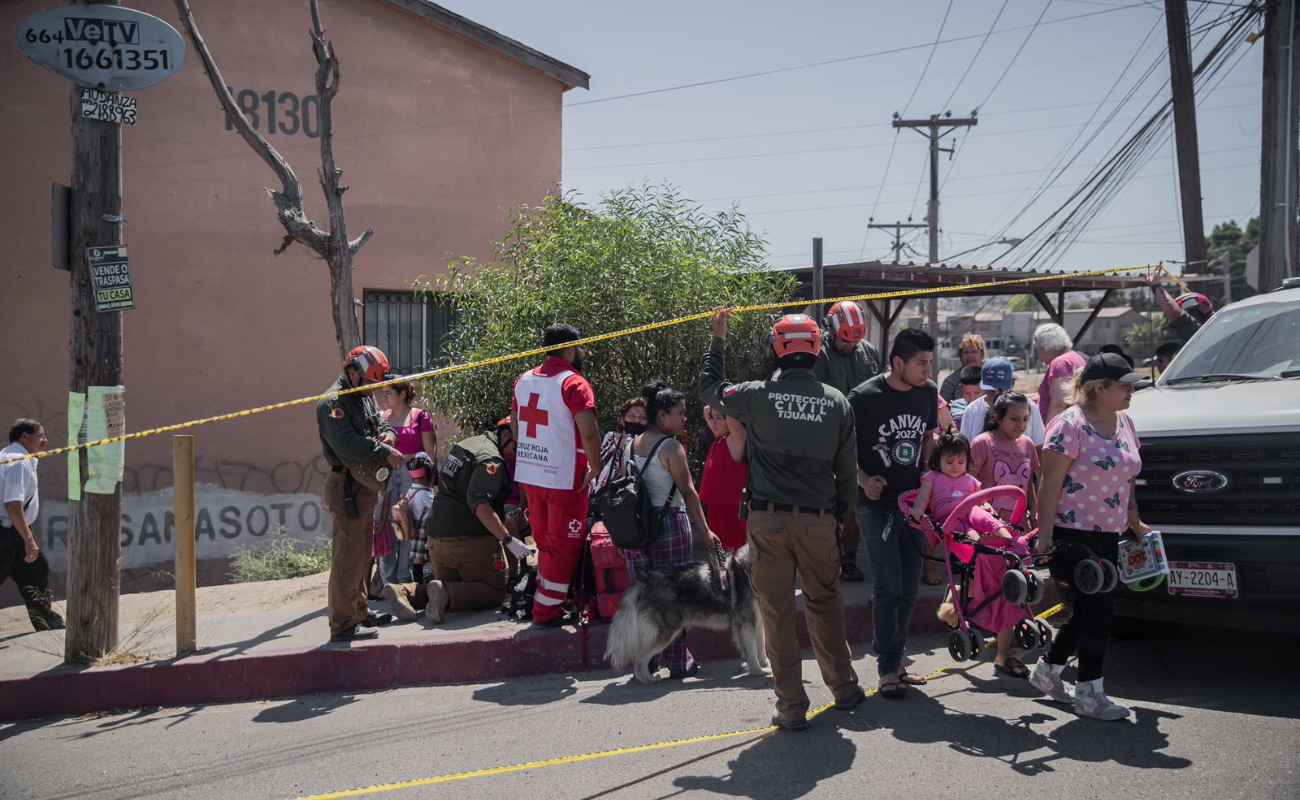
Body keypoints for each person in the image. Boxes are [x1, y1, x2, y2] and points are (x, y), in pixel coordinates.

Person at [701, 308, 863, 731]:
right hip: (818, 523)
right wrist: (836, 518)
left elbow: (710, 388)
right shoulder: (837, 403)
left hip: (767, 524)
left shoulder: (756, 395)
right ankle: (844, 689)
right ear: (816, 349)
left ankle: (791, 707)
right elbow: (847, 476)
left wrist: (718, 337)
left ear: (776, 348)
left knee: (775, 613)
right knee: (824, 604)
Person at [1029, 352, 1148, 721]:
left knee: (1089, 608)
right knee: (1099, 609)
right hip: (1072, 532)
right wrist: (1045, 535)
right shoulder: (1069, 425)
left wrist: (1136, 522)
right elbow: (1050, 485)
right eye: (1124, 386)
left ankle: (1049, 669)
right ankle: (1089, 692)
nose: (1131, 393)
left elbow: (1127, 479)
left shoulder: (1125, 421)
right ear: (1099, 388)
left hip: (1109, 531)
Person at [848, 328, 939, 698]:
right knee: (888, 587)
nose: (928, 370)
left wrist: (927, 472)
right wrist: (863, 479)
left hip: (915, 504)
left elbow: (929, 434)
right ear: (898, 362)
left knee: (908, 588)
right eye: (921, 363)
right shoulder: (863, 397)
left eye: (930, 362)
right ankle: (886, 667)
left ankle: (897, 659)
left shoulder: (929, 392)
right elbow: (843, 449)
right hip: (875, 506)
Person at [621, 380, 722, 679]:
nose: (685, 418)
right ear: (662, 416)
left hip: (636, 530)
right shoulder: (671, 447)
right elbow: (689, 493)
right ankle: (679, 661)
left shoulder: (630, 444)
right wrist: (706, 533)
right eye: (680, 413)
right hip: (669, 528)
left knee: (645, 598)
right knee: (676, 596)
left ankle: (646, 661)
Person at [915, 429, 1032, 681]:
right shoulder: (932, 477)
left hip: (972, 515)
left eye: (961, 462)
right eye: (949, 462)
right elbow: (922, 502)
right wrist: (917, 511)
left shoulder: (970, 481)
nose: (956, 467)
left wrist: (989, 511)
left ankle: (1005, 537)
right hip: (951, 522)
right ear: (938, 461)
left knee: (986, 519)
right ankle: (966, 585)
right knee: (977, 545)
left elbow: (982, 505)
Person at [511, 323, 601, 628]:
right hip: (565, 478)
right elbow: (589, 433)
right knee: (564, 544)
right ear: (570, 347)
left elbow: (515, 425)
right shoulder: (575, 383)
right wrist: (597, 467)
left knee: (546, 542)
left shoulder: (523, 380)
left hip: (532, 475)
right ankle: (546, 610)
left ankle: (548, 602)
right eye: (581, 347)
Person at [317, 346, 403, 642]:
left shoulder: (360, 397)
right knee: (347, 559)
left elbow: (378, 421)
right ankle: (342, 624)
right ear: (352, 373)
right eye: (370, 383)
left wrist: (388, 433)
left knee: (361, 555)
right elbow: (347, 444)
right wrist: (384, 450)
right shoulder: (333, 403)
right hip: (347, 489)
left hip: (363, 487)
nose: (373, 390)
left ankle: (359, 611)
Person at [409, 420, 531, 623]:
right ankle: (445, 593)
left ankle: (405, 591)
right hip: (468, 542)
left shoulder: (467, 444)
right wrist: (508, 540)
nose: (516, 454)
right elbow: (479, 503)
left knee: (452, 587)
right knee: (494, 592)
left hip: (437, 543)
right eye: (516, 447)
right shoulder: (491, 459)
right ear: (503, 436)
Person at [811, 300, 882, 583]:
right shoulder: (818, 355)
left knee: (853, 502)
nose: (850, 345)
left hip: (864, 439)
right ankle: (824, 560)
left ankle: (849, 559)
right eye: (844, 340)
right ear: (830, 330)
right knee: (826, 505)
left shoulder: (869, 352)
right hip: (829, 440)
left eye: (856, 340)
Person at [0, 419, 63, 631]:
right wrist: (28, 539)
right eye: (41, 435)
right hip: (8, 532)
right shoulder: (17, 461)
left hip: (15, 530)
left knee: (35, 571)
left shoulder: (13, 456)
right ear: (25, 436)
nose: (45, 440)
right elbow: (12, 503)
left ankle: (47, 622)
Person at [374, 379, 437, 589]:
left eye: (388, 393)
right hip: (387, 475)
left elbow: (430, 452)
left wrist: (429, 482)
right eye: (382, 393)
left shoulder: (420, 416)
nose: (384, 397)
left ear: (402, 394)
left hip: (413, 475)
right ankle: (387, 581)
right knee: (386, 525)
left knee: (408, 524)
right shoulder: (381, 418)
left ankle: (404, 577)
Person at [379, 452, 437, 619]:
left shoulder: (410, 491)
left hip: (415, 530)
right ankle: (425, 593)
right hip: (425, 531)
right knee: (432, 562)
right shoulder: (426, 494)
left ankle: (416, 591)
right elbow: (436, 510)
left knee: (417, 563)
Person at [960, 357, 1047, 446]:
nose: (995, 393)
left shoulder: (1029, 408)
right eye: (989, 389)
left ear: (1013, 383)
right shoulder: (971, 411)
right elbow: (965, 449)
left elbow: (1039, 446)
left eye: (1000, 389)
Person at [698, 405, 748, 552]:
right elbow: (706, 409)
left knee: (733, 552)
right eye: (712, 418)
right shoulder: (720, 438)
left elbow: (733, 416)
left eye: (719, 418)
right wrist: (715, 410)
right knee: (719, 551)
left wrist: (726, 399)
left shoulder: (737, 440)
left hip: (732, 507)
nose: (714, 422)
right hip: (715, 504)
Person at [591, 397, 647, 500]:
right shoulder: (609, 439)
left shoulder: (647, 448)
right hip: (597, 500)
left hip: (624, 506)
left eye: (642, 417)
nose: (636, 420)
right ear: (622, 419)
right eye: (632, 416)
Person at [1032, 323, 1087, 423]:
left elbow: (1058, 403)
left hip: (1062, 430)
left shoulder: (1060, 363)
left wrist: (1049, 435)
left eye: (1036, 349)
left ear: (1043, 349)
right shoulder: (1075, 357)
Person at [1145, 265, 1213, 343]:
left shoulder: (1202, 333)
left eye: (1197, 316)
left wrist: (1156, 286)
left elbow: (1174, 313)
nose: (1194, 320)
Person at [939, 333, 986, 403]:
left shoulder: (990, 377)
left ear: (982, 354)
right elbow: (941, 408)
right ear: (960, 356)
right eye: (965, 352)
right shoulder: (951, 381)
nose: (970, 355)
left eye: (974, 351)